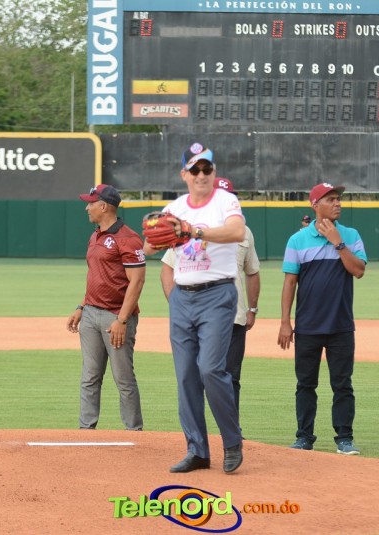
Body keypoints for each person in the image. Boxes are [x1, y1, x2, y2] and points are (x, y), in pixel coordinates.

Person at [143, 143, 245, 474]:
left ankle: (232, 441)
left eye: (207, 168)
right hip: (183, 297)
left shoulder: (225, 201)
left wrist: (193, 230)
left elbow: (236, 231)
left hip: (217, 294)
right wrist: (158, 234)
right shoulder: (174, 207)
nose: (202, 174)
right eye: (195, 169)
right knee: (186, 375)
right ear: (184, 174)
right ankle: (197, 450)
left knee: (211, 369)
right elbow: (149, 246)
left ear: (214, 172)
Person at [278, 183, 367, 454]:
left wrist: (338, 242)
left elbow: (358, 271)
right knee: (305, 384)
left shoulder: (350, 235)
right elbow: (290, 282)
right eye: (331, 199)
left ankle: (344, 438)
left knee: (343, 385)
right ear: (315, 205)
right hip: (308, 326)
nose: (337, 203)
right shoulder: (297, 240)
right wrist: (285, 322)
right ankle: (304, 437)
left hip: (341, 325)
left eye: (338, 199)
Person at [160, 177, 261, 413]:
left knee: (231, 376)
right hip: (193, 314)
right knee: (194, 376)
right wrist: (176, 303)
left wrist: (252, 309)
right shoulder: (187, 227)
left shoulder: (244, 232)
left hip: (233, 315)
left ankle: (230, 429)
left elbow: (252, 272)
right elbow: (167, 268)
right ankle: (199, 429)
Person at [67, 184, 146, 431]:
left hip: (115, 317)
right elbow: (96, 276)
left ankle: (135, 432)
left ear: (104, 206)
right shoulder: (95, 235)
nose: (87, 208)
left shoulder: (128, 238)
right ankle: (86, 430)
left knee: (123, 379)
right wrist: (82, 306)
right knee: (89, 377)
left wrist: (122, 320)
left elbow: (137, 281)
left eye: (91, 203)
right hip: (91, 314)